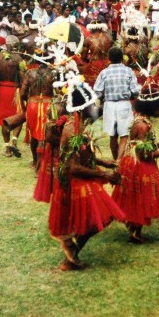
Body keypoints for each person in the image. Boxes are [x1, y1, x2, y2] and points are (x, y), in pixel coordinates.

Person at [50, 74, 124, 271]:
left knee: (98, 219)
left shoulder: (79, 125)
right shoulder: (73, 130)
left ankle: (71, 253)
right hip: (74, 180)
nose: (95, 109)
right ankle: (70, 254)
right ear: (83, 108)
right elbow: (73, 167)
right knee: (98, 219)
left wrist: (103, 162)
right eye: (93, 105)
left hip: (81, 175)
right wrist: (103, 175)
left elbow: (82, 155)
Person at [112, 79, 159, 243]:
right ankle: (134, 232)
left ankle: (134, 230)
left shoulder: (142, 120)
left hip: (135, 161)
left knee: (138, 196)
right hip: (138, 164)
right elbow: (144, 152)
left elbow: (145, 144)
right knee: (142, 195)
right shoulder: (142, 125)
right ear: (153, 107)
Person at [93, 47, 140, 160]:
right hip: (124, 105)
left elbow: (97, 91)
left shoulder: (104, 72)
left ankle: (115, 161)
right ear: (122, 58)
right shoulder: (128, 71)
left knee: (113, 137)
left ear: (109, 58)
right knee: (124, 136)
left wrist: (104, 96)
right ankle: (119, 161)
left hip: (109, 106)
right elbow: (135, 91)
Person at [0, 35, 26, 157]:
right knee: (19, 116)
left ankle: (8, 149)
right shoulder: (19, 59)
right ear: (16, 45)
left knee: (5, 119)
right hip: (15, 91)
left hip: (2, 91)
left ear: (6, 44)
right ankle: (14, 140)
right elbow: (24, 78)